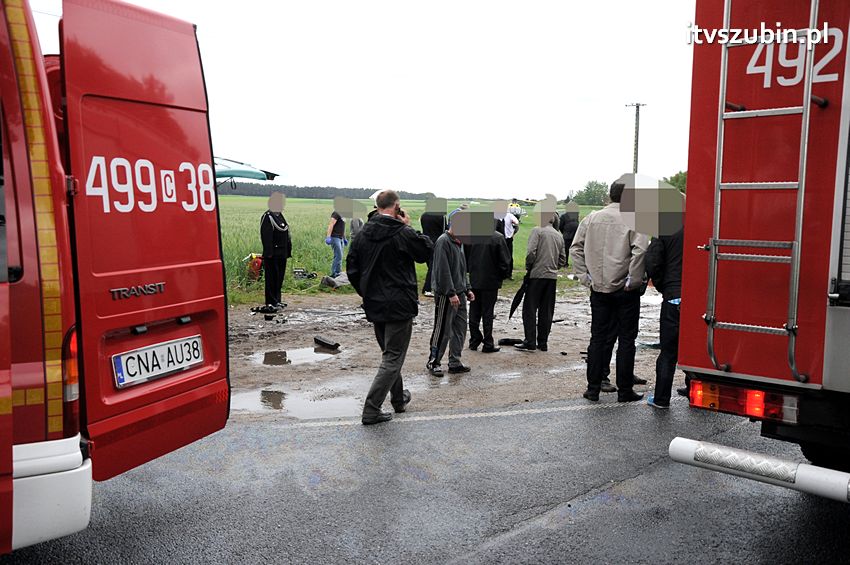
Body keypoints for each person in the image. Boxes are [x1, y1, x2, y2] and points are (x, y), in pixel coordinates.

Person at [346, 190, 432, 425]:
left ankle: (398, 400)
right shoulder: (402, 232)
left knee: (390, 355)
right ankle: (371, 409)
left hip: (375, 304)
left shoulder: (362, 234)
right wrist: (409, 225)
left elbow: (352, 269)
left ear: (376, 206)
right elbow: (425, 251)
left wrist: (366, 292)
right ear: (397, 207)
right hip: (399, 304)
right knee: (393, 357)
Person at [570, 181, 650, 403]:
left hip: (599, 287)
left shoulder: (592, 217)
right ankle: (624, 390)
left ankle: (593, 388)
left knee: (598, 338)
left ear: (610, 195)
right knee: (626, 340)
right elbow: (641, 249)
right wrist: (633, 279)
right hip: (625, 289)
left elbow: (575, 248)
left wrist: (584, 276)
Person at [427, 216, 475, 376]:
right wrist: (450, 293)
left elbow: (462, 267)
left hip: (460, 293)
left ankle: (455, 362)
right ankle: (434, 362)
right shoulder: (443, 242)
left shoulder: (459, 242)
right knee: (442, 330)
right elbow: (442, 270)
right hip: (446, 295)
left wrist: (467, 288)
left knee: (460, 329)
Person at [645, 225, 685, 409]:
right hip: (701, 298)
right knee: (696, 347)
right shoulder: (706, 224)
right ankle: (694, 388)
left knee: (668, 352)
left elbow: (653, 262)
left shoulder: (664, 229)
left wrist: (663, 285)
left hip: (674, 295)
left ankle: (661, 398)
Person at [516, 213, 566, 352]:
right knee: (546, 310)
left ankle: (530, 341)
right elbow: (562, 259)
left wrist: (529, 266)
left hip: (537, 275)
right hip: (552, 277)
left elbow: (531, 252)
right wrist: (554, 267)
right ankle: (543, 343)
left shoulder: (537, 230)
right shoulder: (558, 235)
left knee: (530, 309)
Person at [465, 222, 512, 352]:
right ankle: (488, 343)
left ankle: (474, 340)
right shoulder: (498, 237)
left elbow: (466, 258)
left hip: (475, 279)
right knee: (487, 312)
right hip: (491, 281)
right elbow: (505, 261)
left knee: (474, 311)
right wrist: (501, 276)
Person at [260, 192, 292, 310]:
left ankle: (277, 300)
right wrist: (268, 253)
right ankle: (270, 301)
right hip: (272, 254)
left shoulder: (279, 215)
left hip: (282, 254)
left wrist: (288, 251)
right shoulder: (268, 216)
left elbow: (286, 234)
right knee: (271, 279)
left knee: (279, 278)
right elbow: (266, 236)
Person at [420, 209, 448, 296]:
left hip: (425, 241)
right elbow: (444, 229)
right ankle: (428, 288)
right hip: (436, 243)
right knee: (433, 267)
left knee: (430, 265)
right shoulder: (441, 216)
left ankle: (432, 285)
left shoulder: (424, 215)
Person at [326, 210, 346, 278]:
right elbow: (331, 224)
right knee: (338, 256)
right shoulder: (336, 213)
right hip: (335, 237)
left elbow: (342, 228)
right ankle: (334, 273)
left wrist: (344, 238)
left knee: (340, 256)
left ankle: (338, 272)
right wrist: (328, 236)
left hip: (341, 238)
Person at [502, 209, 520, 274]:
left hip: (508, 239)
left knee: (509, 255)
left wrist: (513, 233)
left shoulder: (509, 215)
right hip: (500, 239)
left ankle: (509, 273)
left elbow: (516, 224)